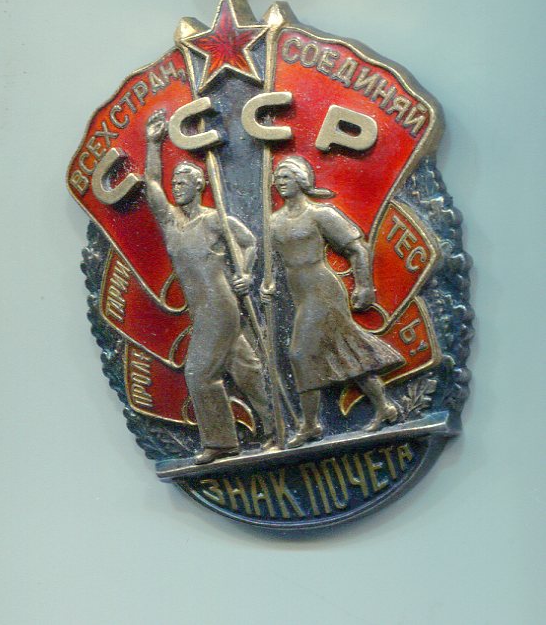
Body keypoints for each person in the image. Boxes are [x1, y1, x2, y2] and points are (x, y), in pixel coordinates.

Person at [143, 109, 273, 464]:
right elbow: (151, 183)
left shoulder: (215, 220)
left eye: (183, 182)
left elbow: (248, 242)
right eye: (175, 183)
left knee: (199, 374)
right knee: (245, 368)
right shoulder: (170, 222)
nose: (176, 187)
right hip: (201, 309)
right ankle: (276, 425)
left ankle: (221, 442)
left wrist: (245, 273)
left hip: (220, 305)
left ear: (199, 185)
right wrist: (153, 144)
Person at [266, 155, 403, 446]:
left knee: (300, 354)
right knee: (345, 350)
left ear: (301, 181)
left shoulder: (320, 214)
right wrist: (269, 285)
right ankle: (385, 407)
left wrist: (364, 286)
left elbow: (357, 249)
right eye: (277, 178)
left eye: (286, 176)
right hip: (297, 292)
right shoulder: (273, 222)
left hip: (322, 290)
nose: (280, 182)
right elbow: (273, 263)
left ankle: (310, 425)